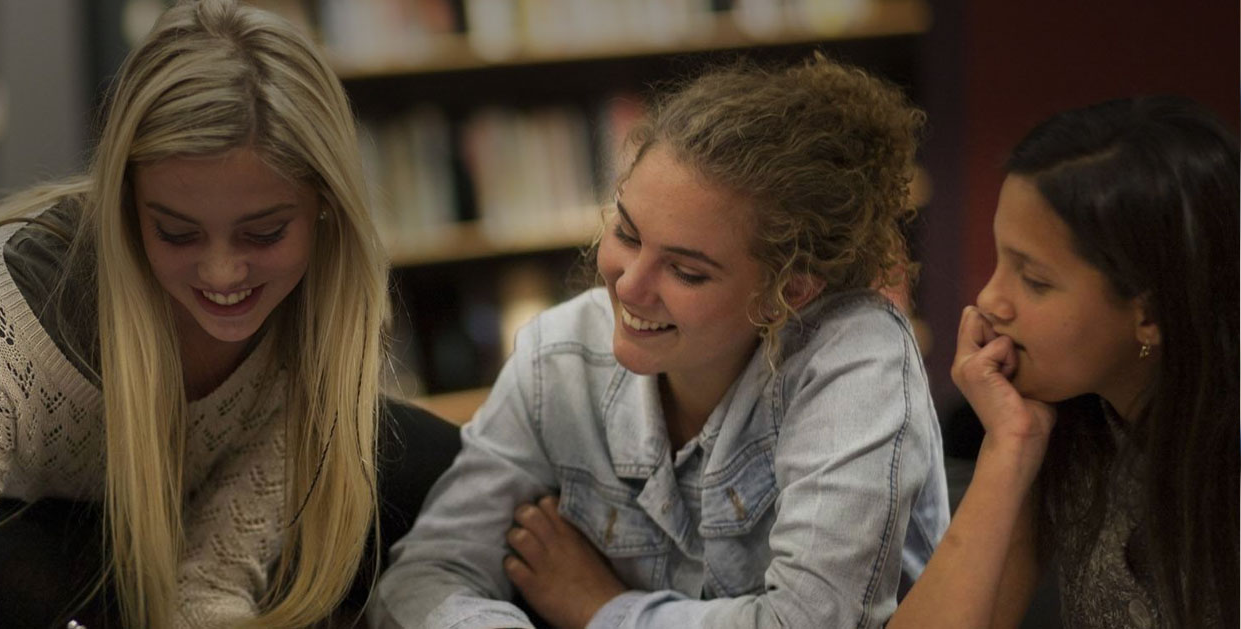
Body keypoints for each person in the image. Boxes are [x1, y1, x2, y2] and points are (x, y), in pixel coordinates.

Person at [0, 1, 462, 627]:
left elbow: (210, 584)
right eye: (177, 232)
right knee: (40, 593)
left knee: (434, 463)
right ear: (125, 207)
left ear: (324, 207)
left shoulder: (320, 310)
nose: (222, 274)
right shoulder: (6, 304)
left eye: (264, 234)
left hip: (148, 492)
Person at [369, 56, 950, 629]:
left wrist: (602, 610)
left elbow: (809, 623)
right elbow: (426, 577)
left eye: (686, 272)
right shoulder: (560, 356)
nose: (628, 285)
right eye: (626, 233)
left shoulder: (855, 362)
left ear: (789, 291)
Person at [889, 97, 1238, 628]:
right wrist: (1010, 447)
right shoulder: (1069, 421)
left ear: (1150, 315)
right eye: (1000, 259)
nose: (989, 299)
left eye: (1035, 280)